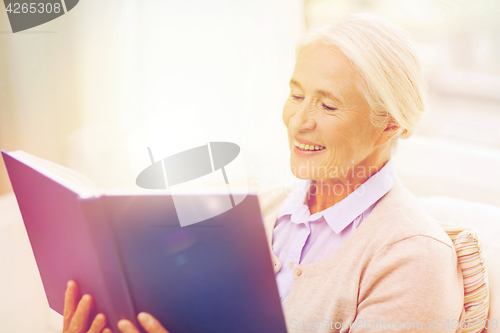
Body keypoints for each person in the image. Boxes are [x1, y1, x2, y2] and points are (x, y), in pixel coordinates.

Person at [62, 13, 465, 333]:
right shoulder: (251, 209)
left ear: (390, 125)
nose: (299, 121)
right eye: (296, 95)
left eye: (328, 106)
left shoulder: (414, 258)